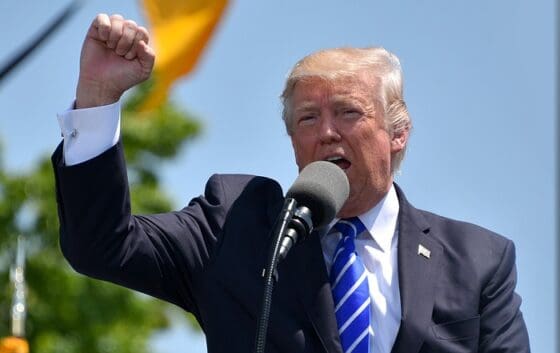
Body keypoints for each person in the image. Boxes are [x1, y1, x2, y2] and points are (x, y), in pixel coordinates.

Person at [53, 13, 530, 353]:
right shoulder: (235, 223)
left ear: (398, 131)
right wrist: (97, 98)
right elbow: (101, 246)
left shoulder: (477, 260)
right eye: (307, 118)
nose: (327, 132)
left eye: (348, 112)